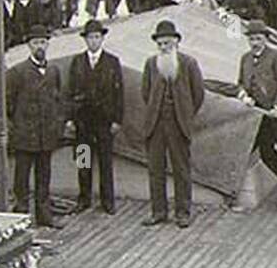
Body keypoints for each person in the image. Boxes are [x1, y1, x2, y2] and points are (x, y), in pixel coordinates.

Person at [140, 19, 205, 228]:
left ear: (176, 42)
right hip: (156, 124)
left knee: (181, 169)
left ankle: (183, 212)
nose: (163, 47)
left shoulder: (188, 63)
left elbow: (198, 94)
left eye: (167, 43)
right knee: (155, 169)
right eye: (160, 43)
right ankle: (158, 211)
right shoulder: (151, 64)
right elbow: (145, 92)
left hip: (178, 124)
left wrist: (185, 114)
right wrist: (155, 111)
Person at [238, 19, 277, 209]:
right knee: (267, 154)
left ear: (265, 38)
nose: (255, 43)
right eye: (251, 39)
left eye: (258, 39)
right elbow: (241, 82)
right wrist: (244, 95)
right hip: (260, 115)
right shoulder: (246, 59)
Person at [7, 25, 65, 229]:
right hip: (25, 136)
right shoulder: (17, 72)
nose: (39, 46)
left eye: (43, 42)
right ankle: (20, 215)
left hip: (46, 136)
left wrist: (57, 126)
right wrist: (13, 130)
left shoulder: (53, 71)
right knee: (21, 179)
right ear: (28, 46)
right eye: (35, 43)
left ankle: (44, 215)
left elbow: (58, 102)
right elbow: (7, 105)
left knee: (44, 177)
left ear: (48, 44)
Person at [64, 18, 125, 214]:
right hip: (83, 122)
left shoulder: (112, 62)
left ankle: (108, 201)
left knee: (105, 161)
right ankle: (84, 198)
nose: (93, 41)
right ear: (85, 40)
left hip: (104, 121)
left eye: (97, 37)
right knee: (83, 160)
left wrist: (117, 119)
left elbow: (119, 94)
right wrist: (71, 119)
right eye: (90, 37)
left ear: (102, 39)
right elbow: (70, 92)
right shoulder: (77, 62)